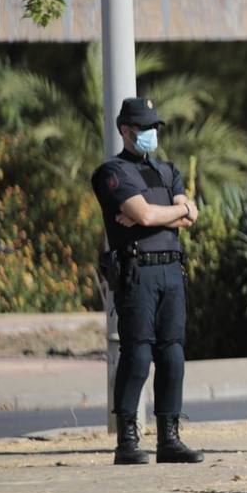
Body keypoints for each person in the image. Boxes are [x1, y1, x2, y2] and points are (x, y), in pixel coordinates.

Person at [90, 97, 202, 466]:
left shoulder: (167, 170)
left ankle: (169, 438)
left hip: (171, 269)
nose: (151, 134)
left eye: (155, 128)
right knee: (137, 354)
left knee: (173, 355)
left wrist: (165, 214)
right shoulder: (112, 173)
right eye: (144, 128)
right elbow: (148, 214)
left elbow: (186, 216)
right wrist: (170, 212)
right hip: (137, 271)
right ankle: (127, 440)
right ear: (125, 130)